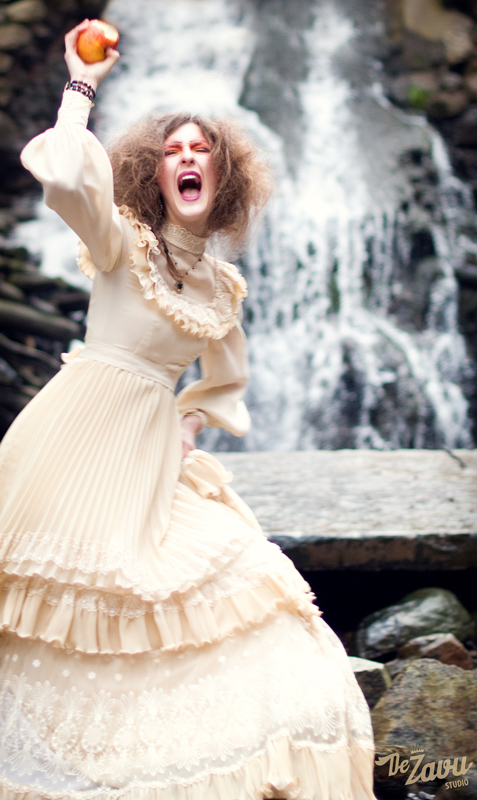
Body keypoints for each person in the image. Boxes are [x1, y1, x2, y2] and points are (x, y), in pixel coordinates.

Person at [0, 19, 377, 800]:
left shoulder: (221, 288)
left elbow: (221, 378)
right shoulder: (122, 243)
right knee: (55, 599)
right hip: (72, 441)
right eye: (171, 149)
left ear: (223, 173)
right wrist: (82, 82)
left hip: (146, 463)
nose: (185, 157)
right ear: (154, 170)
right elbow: (65, 181)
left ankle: (207, 753)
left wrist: (187, 424)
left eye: (201, 148)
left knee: (252, 586)